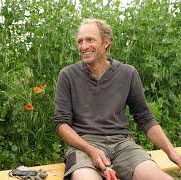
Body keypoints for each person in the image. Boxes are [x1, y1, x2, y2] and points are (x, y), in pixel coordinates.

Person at [53, 18, 181, 180]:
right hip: (83, 146)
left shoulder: (127, 73)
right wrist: (91, 150)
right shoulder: (67, 75)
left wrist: (172, 153)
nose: (83, 46)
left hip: (123, 145)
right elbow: (61, 124)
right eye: (80, 41)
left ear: (106, 42)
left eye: (90, 40)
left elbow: (145, 118)